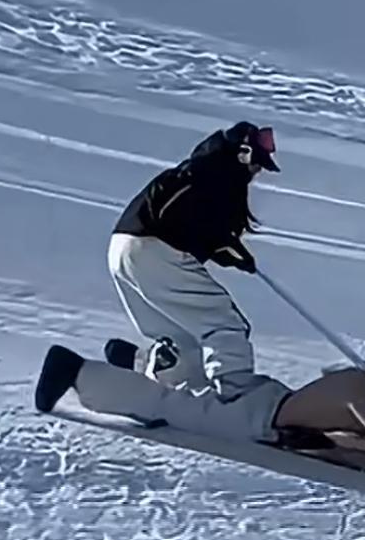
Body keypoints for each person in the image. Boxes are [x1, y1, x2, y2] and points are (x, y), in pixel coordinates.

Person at [33, 344, 365, 474]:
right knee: (167, 407)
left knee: (193, 393)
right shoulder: (363, 396)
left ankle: (136, 359)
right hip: (256, 416)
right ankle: (73, 370)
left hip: (268, 400)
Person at [105, 120, 281, 401]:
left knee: (185, 339)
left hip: (122, 248)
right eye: (256, 164)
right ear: (242, 154)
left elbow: (192, 221)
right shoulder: (210, 174)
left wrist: (222, 247)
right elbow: (184, 216)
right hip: (154, 250)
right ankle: (236, 395)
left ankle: (152, 369)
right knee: (224, 324)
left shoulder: (199, 171)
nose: (256, 172)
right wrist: (222, 243)